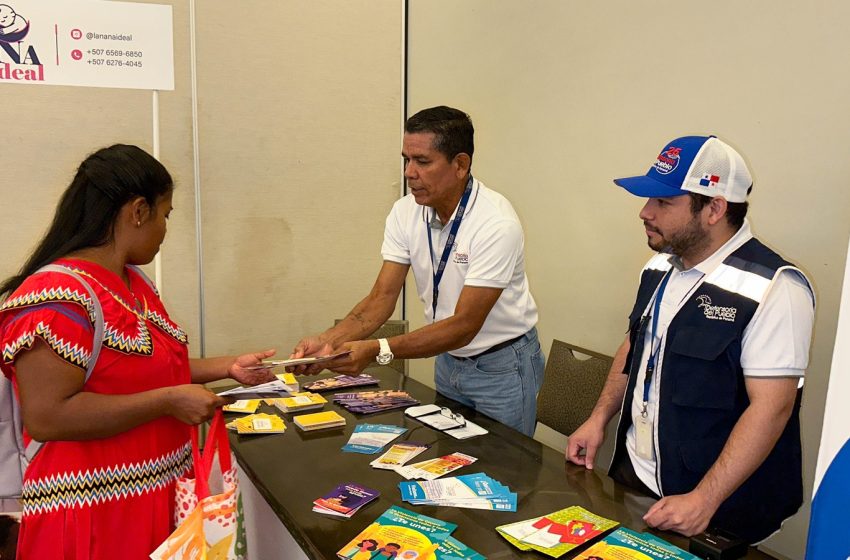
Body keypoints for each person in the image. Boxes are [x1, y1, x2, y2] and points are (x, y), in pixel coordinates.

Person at [0, 144, 277, 559]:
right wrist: (167, 402)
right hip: (92, 511)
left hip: (156, 497)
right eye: (165, 215)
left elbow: (151, 370)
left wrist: (228, 367)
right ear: (138, 211)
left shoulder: (135, 283)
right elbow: (47, 416)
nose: (165, 229)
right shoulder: (56, 296)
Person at [566, 135, 814, 543]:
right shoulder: (660, 265)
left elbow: (773, 408)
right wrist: (598, 418)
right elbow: (634, 346)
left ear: (714, 208)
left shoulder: (774, 288)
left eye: (664, 203)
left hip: (716, 507)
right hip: (638, 481)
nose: (645, 212)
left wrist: (704, 498)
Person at [292, 106, 544, 436]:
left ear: (460, 165)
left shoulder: (495, 223)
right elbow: (381, 298)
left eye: (422, 161)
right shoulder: (405, 211)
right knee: (454, 462)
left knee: (507, 472)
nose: (410, 173)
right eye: (406, 160)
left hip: (501, 365)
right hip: (448, 359)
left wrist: (377, 350)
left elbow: (465, 325)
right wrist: (326, 343)